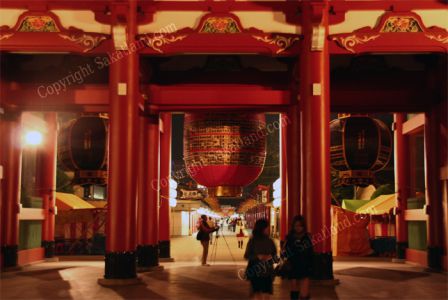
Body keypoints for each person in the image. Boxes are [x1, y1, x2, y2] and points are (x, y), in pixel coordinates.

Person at [244, 219, 277, 299]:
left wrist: (270, 257)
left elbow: (275, 257)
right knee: (257, 292)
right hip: (256, 270)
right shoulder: (253, 241)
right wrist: (258, 256)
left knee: (266, 293)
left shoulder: (270, 241)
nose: (268, 229)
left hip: (267, 271)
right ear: (261, 228)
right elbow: (247, 255)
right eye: (267, 228)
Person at [284, 215, 314, 300]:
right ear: (293, 226)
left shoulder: (307, 238)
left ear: (303, 227)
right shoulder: (289, 238)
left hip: (305, 266)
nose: (298, 228)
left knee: (304, 292)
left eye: (300, 225)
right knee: (294, 287)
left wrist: (311, 266)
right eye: (296, 225)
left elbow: (310, 253)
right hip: (293, 265)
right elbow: (285, 252)